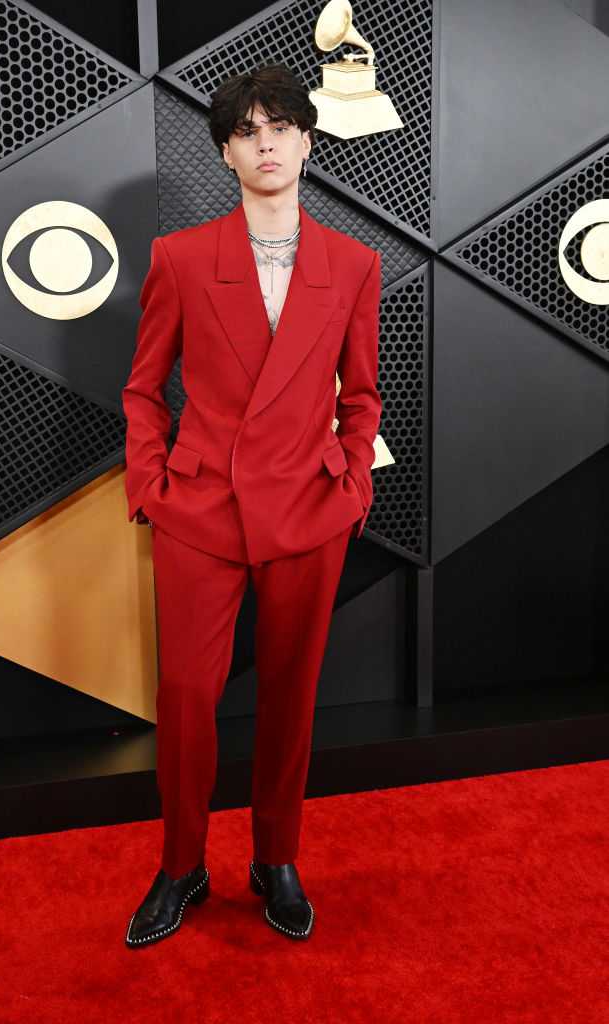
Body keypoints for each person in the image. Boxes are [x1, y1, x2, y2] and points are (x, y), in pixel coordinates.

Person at [123, 63, 382, 947]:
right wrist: (152, 487)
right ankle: (181, 863)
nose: (265, 142)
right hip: (200, 510)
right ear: (226, 150)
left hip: (309, 509)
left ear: (308, 141)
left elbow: (363, 396)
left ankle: (275, 857)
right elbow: (142, 387)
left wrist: (352, 485)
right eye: (247, 129)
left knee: (289, 697)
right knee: (189, 695)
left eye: (280, 126)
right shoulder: (181, 258)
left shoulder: (353, 265)